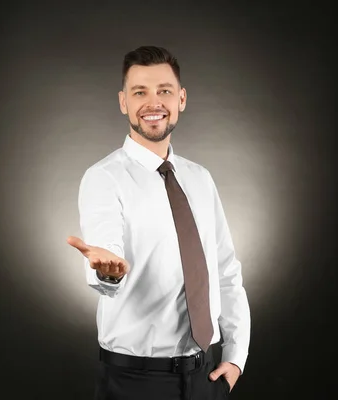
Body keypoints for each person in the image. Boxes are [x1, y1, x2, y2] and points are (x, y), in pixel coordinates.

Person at [67, 46, 250, 400]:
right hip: (135, 382)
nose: (154, 103)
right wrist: (108, 270)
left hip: (205, 378)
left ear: (181, 98)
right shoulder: (104, 178)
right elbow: (106, 254)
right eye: (140, 92)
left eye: (164, 91)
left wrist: (236, 356)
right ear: (123, 102)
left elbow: (226, 272)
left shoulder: (200, 178)